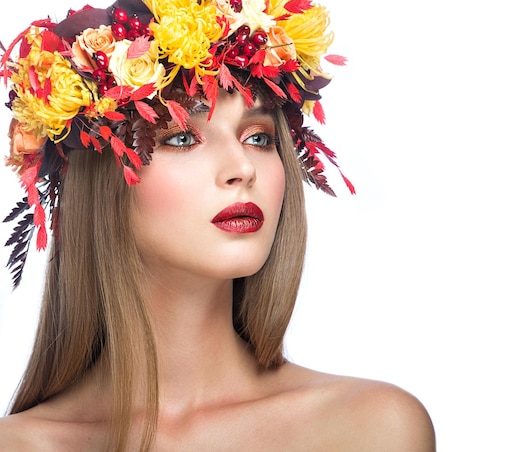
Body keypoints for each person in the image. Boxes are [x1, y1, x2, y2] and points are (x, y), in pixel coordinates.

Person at [0, 0, 435, 450]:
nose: (242, 167)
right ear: (101, 180)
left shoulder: (371, 429)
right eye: (183, 137)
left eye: (259, 138)